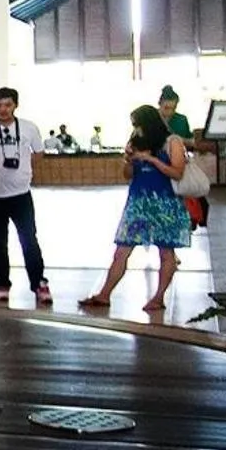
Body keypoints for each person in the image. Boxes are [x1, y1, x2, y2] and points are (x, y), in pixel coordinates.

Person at [81, 104, 190, 313]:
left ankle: (158, 297)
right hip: (138, 203)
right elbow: (128, 174)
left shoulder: (172, 142)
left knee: (166, 252)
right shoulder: (137, 143)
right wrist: (130, 160)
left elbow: (177, 173)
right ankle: (104, 295)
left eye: (138, 124)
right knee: (121, 250)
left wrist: (151, 159)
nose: (136, 129)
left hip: (165, 204)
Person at [0, 87, 48, 305]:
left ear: (16, 105)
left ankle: (39, 283)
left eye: (7, 105)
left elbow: (38, 154)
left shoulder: (29, 127)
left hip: (20, 194)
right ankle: (2, 282)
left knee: (29, 239)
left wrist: (24, 173)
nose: (3, 110)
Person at [159, 85, 208, 228]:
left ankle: (188, 218)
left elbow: (190, 141)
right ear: (160, 105)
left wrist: (177, 140)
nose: (169, 112)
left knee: (182, 191)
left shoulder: (181, 120)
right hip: (160, 165)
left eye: (173, 108)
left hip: (177, 161)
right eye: (166, 108)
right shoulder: (152, 119)